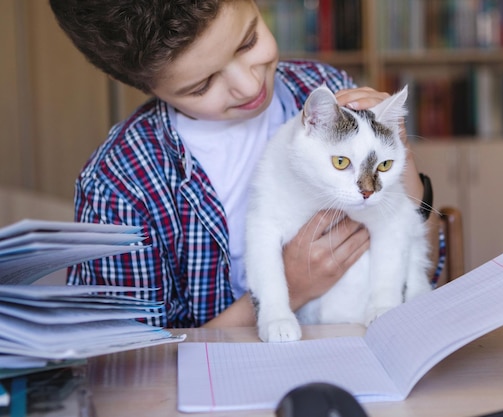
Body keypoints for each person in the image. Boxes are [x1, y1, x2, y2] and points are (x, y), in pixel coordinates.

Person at [48, 0, 427, 328]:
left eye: (248, 41)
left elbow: (420, 247)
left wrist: (398, 148)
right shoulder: (120, 184)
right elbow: (125, 367)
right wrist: (286, 291)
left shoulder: (324, 85)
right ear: (147, 87)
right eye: (202, 85)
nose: (248, 86)